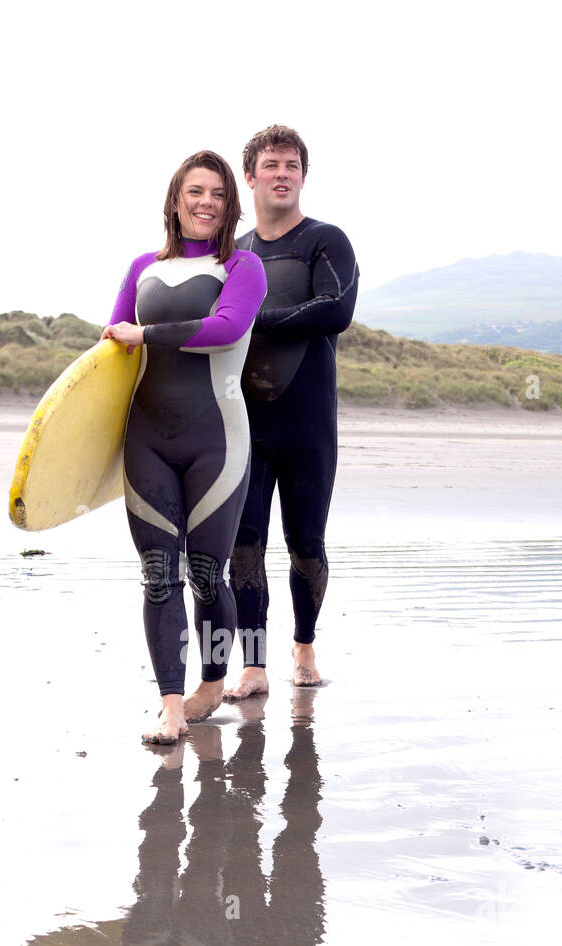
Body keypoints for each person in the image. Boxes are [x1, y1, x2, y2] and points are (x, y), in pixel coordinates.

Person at [102, 151, 267, 744]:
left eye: (218, 195)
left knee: (205, 571)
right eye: (195, 191)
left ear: (230, 206)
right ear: (175, 199)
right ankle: (170, 703)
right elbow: (112, 348)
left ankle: (213, 680)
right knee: (156, 574)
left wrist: (145, 333)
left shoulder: (243, 267)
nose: (206, 203)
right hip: (147, 438)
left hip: (217, 440)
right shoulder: (142, 267)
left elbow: (224, 328)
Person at [222, 125, 359, 699]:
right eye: (271, 165)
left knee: (307, 544)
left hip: (308, 427)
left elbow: (334, 310)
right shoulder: (235, 255)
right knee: (244, 544)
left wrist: (253, 323)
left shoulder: (325, 242)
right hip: (244, 426)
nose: (283, 174)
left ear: (303, 176)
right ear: (249, 177)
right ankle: (253, 666)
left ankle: (303, 645)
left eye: (293, 166)